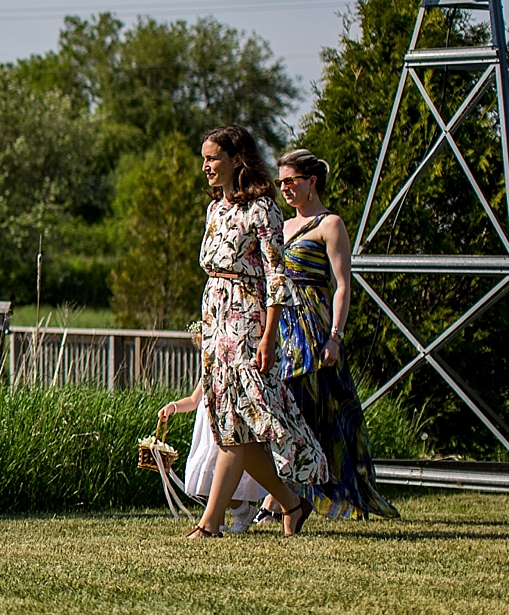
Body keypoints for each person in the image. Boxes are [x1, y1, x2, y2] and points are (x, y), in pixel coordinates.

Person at [188, 126, 327, 538]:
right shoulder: (216, 210)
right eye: (204, 158)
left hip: (248, 321)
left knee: (243, 419)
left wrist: (269, 334)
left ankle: (210, 524)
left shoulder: (262, 209)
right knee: (232, 425)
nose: (207, 166)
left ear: (236, 159)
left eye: (213, 158)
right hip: (217, 316)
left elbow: (276, 275)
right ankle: (290, 503)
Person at [276, 148, 398, 520]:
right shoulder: (283, 227)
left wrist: (335, 337)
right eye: (280, 182)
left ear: (311, 182)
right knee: (287, 409)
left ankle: (321, 492)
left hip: (313, 326)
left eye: (291, 181)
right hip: (284, 325)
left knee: (318, 408)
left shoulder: (330, 224)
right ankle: (285, 497)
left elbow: (342, 285)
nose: (285, 189)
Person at [159, 331, 265, 531]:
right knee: (206, 478)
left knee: (225, 476)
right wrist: (172, 407)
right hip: (207, 432)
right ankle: (219, 520)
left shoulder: (227, 372)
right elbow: (193, 400)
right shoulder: (208, 373)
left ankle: (242, 510)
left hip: (223, 427)